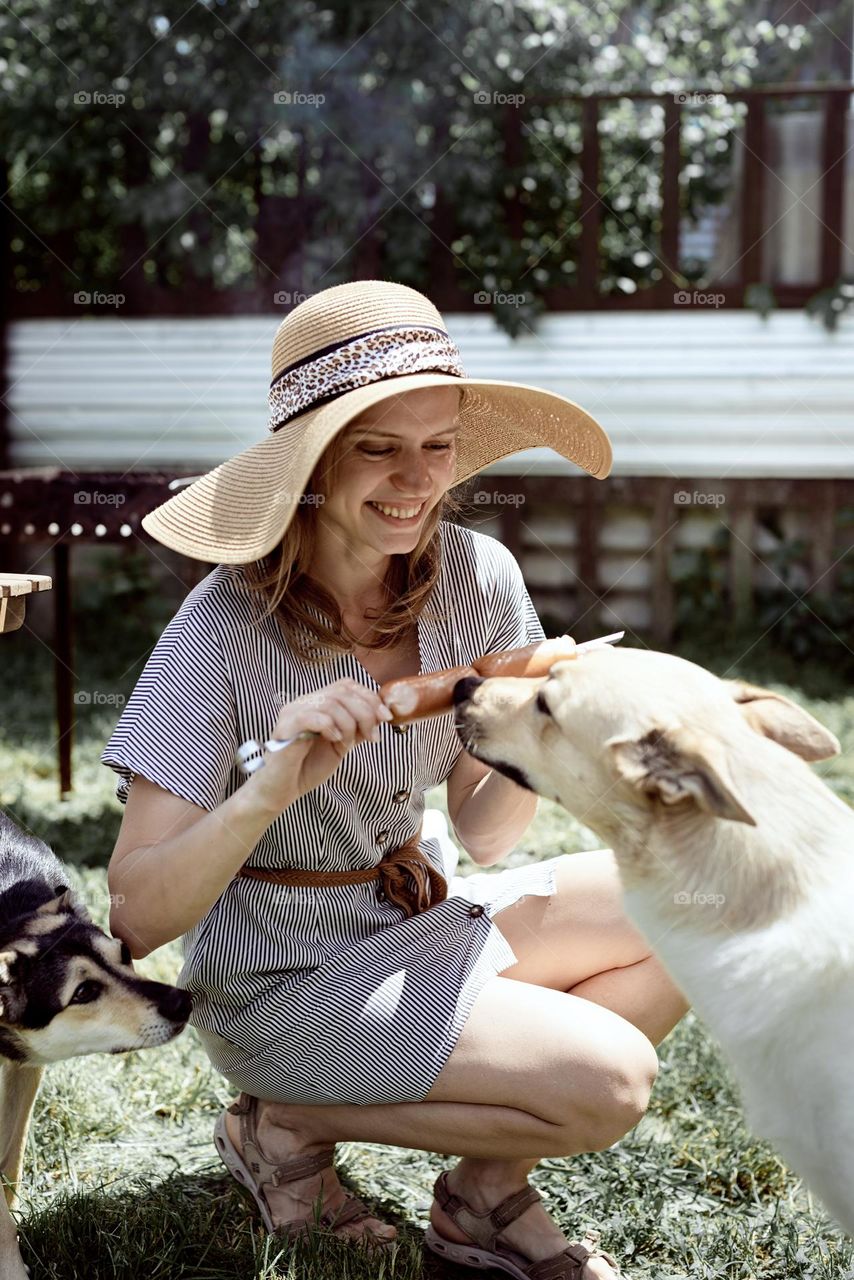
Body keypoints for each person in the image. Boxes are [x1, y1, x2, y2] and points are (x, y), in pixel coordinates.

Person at [102, 281, 690, 1280]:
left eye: (436, 443)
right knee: (611, 1081)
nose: (414, 479)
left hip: (414, 920)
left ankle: (483, 1189)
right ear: (312, 463)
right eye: (378, 446)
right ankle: (282, 1118)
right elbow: (136, 911)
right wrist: (269, 784)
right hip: (276, 982)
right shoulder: (219, 630)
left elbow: (489, 831)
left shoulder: (476, 576)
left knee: (689, 899)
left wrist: (532, 723)